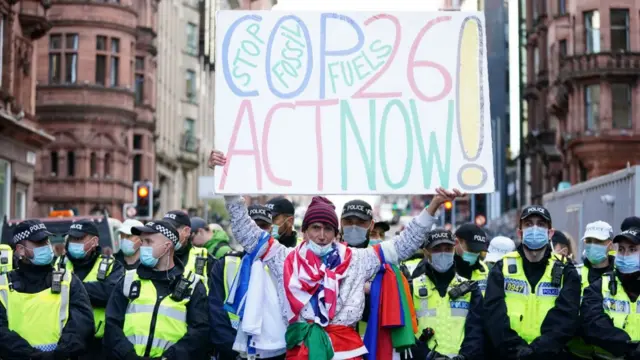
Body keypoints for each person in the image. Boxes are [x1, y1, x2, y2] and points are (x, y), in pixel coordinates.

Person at [208, 149, 462, 358]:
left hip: (347, 351)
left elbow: (403, 245)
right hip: (300, 351)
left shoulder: (358, 259)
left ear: (335, 230)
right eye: (315, 228)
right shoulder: (285, 258)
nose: (322, 235)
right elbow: (246, 233)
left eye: (328, 228)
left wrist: (433, 206)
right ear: (305, 231)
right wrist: (229, 187)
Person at [484, 205, 581, 359]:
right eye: (529, 224)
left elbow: (566, 318)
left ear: (550, 233)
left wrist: (536, 352)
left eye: (541, 224)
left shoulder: (566, 270)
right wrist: (517, 351)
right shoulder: (502, 268)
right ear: (520, 233)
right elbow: (494, 317)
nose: (535, 229)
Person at [104, 219, 209, 359]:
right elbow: (112, 325)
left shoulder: (192, 285)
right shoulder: (129, 280)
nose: (143, 247)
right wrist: (128, 355)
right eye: (142, 242)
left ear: (167, 246)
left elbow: (199, 332)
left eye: (148, 242)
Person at [0, 219, 94, 359]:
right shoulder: (4, 284)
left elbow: (83, 324)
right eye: (39, 243)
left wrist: (58, 354)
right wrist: (30, 355)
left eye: (46, 241)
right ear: (20, 249)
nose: (46, 246)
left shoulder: (67, 280)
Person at [209, 203, 292, 360]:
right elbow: (216, 316)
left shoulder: (283, 264)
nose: (257, 232)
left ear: (272, 230)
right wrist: (238, 352)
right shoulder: (224, 264)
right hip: (232, 352)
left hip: (275, 352)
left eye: (263, 226)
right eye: (253, 225)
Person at [408, 228, 484, 360]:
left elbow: (477, 329)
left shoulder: (471, 288)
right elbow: (406, 331)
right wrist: (427, 356)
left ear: (454, 250)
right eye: (437, 249)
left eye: (448, 249)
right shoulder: (412, 287)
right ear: (426, 252)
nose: (443, 253)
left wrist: (464, 356)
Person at [59, 219, 124, 358]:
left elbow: (110, 294)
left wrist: (70, 288)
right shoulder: (59, 264)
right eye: (71, 238)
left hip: (97, 344)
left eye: (79, 238)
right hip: (63, 341)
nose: (74, 243)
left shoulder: (112, 266)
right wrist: (92, 290)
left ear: (94, 241)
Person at [580, 227, 640, 359]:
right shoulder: (601, 285)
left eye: (632, 250)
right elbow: (592, 322)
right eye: (622, 250)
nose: (625, 256)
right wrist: (629, 346)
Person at [567, 220, 615, 359]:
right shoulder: (574, 274)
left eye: (598, 241)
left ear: (610, 245)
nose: (592, 245)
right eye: (589, 240)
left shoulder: (621, 276)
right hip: (577, 354)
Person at [453, 223, 490, 293]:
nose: (475, 254)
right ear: (457, 242)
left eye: (478, 251)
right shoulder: (444, 268)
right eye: (471, 250)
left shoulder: (484, 270)